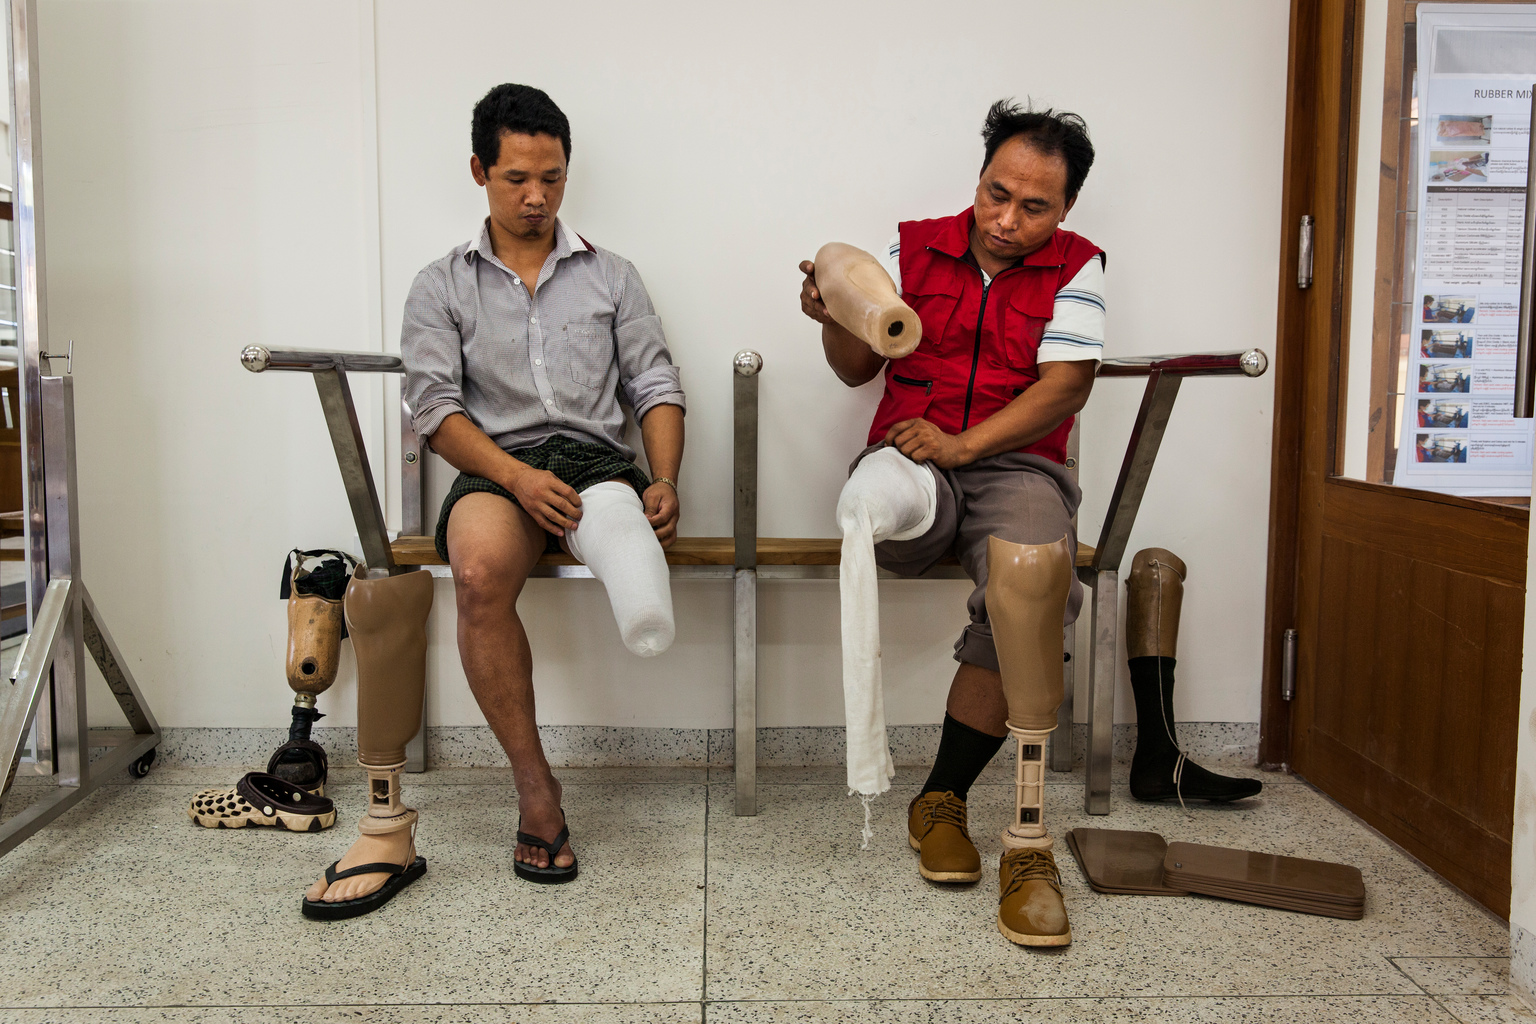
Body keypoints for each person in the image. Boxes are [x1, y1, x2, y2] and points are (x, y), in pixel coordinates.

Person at [305, 83, 685, 910]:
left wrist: (663, 479)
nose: (537, 196)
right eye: (517, 177)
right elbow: (435, 409)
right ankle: (536, 791)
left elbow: (655, 383)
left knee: (623, 529)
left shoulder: (612, 276)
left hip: (596, 462)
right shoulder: (439, 284)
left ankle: (632, 563)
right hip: (497, 466)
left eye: (551, 176)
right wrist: (515, 477)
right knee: (476, 573)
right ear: (479, 170)